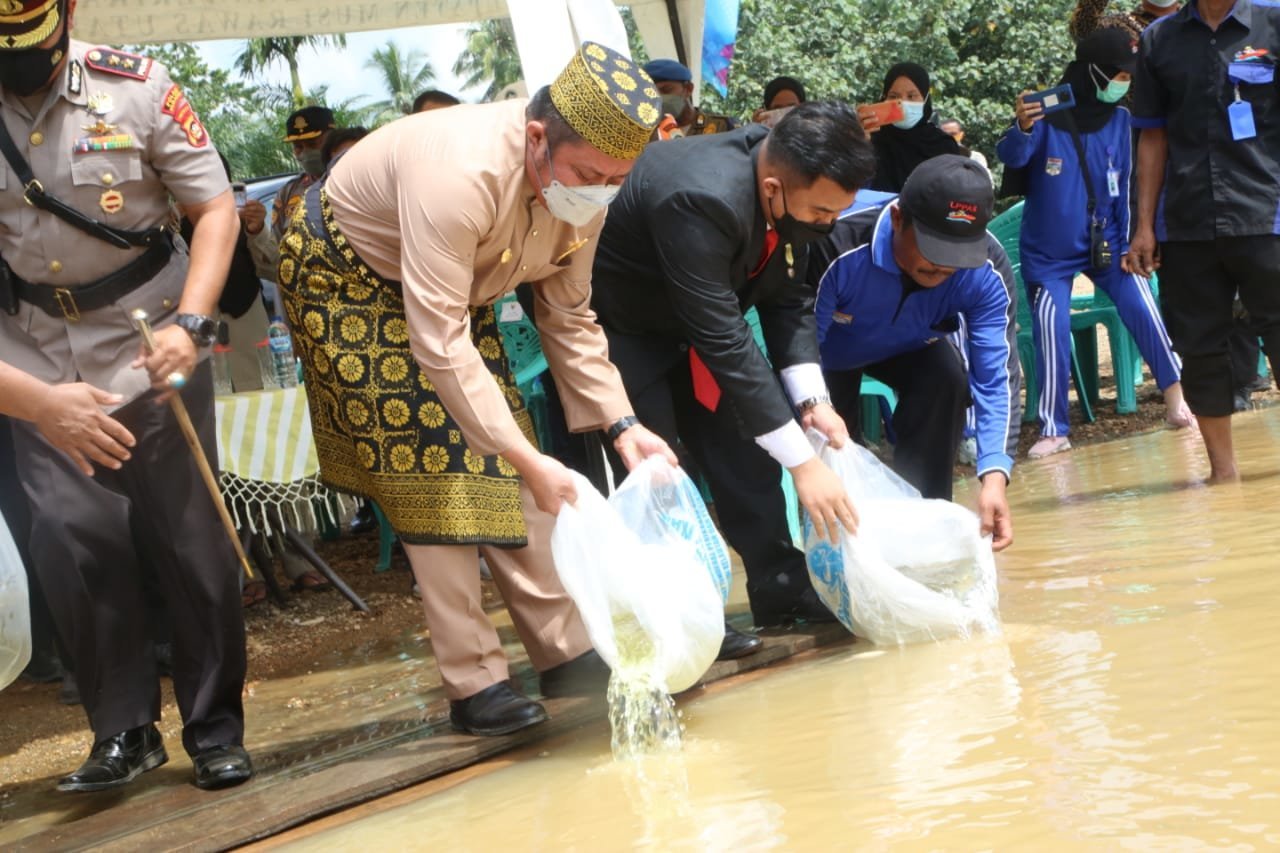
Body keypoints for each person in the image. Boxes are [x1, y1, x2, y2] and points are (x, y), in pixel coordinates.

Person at [276, 42, 678, 737]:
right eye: (588, 173)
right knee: (432, 461)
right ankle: (475, 680)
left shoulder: (588, 189)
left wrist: (621, 423)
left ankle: (564, 647)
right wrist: (528, 457)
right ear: (535, 137)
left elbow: (568, 313)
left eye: (615, 179)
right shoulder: (457, 177)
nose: (598, 193)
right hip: (345, 277)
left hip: (451, 292)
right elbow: (438, 342)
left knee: (509, 441)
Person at [0, 0, 251, 791]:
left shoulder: (137, 86)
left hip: (154, 334)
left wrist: (193, 322)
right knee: (72, 540)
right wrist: (37, 404)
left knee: (190, 539)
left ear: (66, 15)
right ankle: (123, 729)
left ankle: (213, 725)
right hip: (32, 351)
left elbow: (214, 210)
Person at [588, 102, 868, 648]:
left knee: (745, 451)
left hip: (697, 324)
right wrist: (805, 464)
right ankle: (681, 621)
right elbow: (723, 336)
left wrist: (811, 401)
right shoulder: (700, 196)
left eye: (836, 213)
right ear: (772, 189)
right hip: (623, 325)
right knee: (659, 469)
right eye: (819, 213)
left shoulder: (790, 190)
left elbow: (789, 298)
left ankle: (779, 583)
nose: (827, 225)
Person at [998, 28, 1191, 460]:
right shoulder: (1047, 119)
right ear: (1095, 72)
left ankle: (1177, 399)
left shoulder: (1121, 121)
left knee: (1141, 301)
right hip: (1049, 256)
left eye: (1129, 76)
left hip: (1107, 245)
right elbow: (1012, 157)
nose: (1125, 82)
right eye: (1120, 74)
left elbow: (1124, 184)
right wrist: (1022, 126)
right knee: (1051, 324)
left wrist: (1128, 242)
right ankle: (1053, 427)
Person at [810, 156, 1017, 550]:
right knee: (837, 450)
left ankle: (927, 524)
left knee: (947, 379)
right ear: (899, 219)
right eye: (934, 248)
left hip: (908, 342)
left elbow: (996, 376)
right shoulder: (836, 239)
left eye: (958, 255)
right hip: (827, 350)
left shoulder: (986, 269)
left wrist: (994, 477)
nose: (943, 266)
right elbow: (798, 353)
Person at [1127, 0, 1280, 482]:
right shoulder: (1159, 40)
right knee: (1200, 347)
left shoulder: (1273, 23)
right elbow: (1151, 139)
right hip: (1188, 221)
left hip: (1267, 213)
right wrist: (1144, 225)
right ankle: (1223, 475)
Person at [860, 62, 962, 192]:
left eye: (912, 96)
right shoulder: (871, 139)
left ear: (925, 99)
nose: (903, 103)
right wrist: (857, 145)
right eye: (894, 96)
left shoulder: (943, 146)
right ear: (884, 98)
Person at [642, 58, 736, 135]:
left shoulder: (721, 128)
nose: (659, 98)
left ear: (688, 89)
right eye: (651, 93)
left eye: (666, 90)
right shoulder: (647, 136)